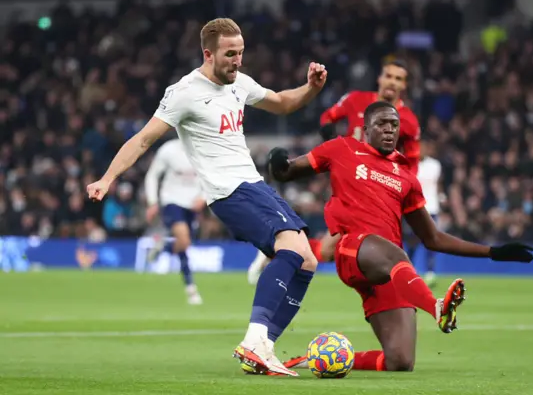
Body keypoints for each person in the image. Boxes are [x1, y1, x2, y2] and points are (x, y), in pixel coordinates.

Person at [86, 18, 328, 377]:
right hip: (229, 191)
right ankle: (254, 340)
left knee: (307, 259)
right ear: (208, 54)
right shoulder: (184, 92)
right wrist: (107, 178)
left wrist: (310, 88)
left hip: (254, 185)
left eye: (241, 53)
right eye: (230, 54)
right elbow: (142, 140)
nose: (237, 61)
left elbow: (281, 103)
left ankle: (263, 348)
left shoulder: (239, 83)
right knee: (290, 249)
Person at [267, 101, 533, 372]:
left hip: (390, 268)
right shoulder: (342, 148)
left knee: (400, 360)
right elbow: (287, 171)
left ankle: (311, 359)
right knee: (397, 253)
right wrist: (278, 163)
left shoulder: (407, 178)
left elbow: (433, 238)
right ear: (366, 128)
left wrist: (492, 252)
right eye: (382, 124)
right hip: (353, 250)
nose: (389, 130)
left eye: (394, 125)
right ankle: (437, 308)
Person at [247, 59, 420, 283]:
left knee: (329, 251)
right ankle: (400, 294)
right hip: (351, 183)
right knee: (381, 250)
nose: (392, 82)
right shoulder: (355, 99)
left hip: (382, 188)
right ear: (380, 78)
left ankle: (278, 249)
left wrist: (406, 190)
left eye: (398, 79)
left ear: (404, 85)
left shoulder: (409, 121)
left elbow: (412, 162)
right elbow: (328, 117)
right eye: (389, 75)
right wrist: (332, 140)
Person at [144, 138, 206, 305]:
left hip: (193, 204)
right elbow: (153, 175)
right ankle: (191, 287)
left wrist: (204, 198)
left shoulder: (205, 147)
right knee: (184, 240)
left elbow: (213, 177)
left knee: (184, 244)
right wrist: (152, 202)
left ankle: (164, 247)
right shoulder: (168, 150)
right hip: (171, 201)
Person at [409, 140, 442, 286]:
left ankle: (430, 273)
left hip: (431, 208)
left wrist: (441, 196)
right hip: (415, 209)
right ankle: (408, 269)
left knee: (431, 241)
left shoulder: (434, 165)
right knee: (412, 241)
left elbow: (437, 183)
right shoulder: (410, 165)